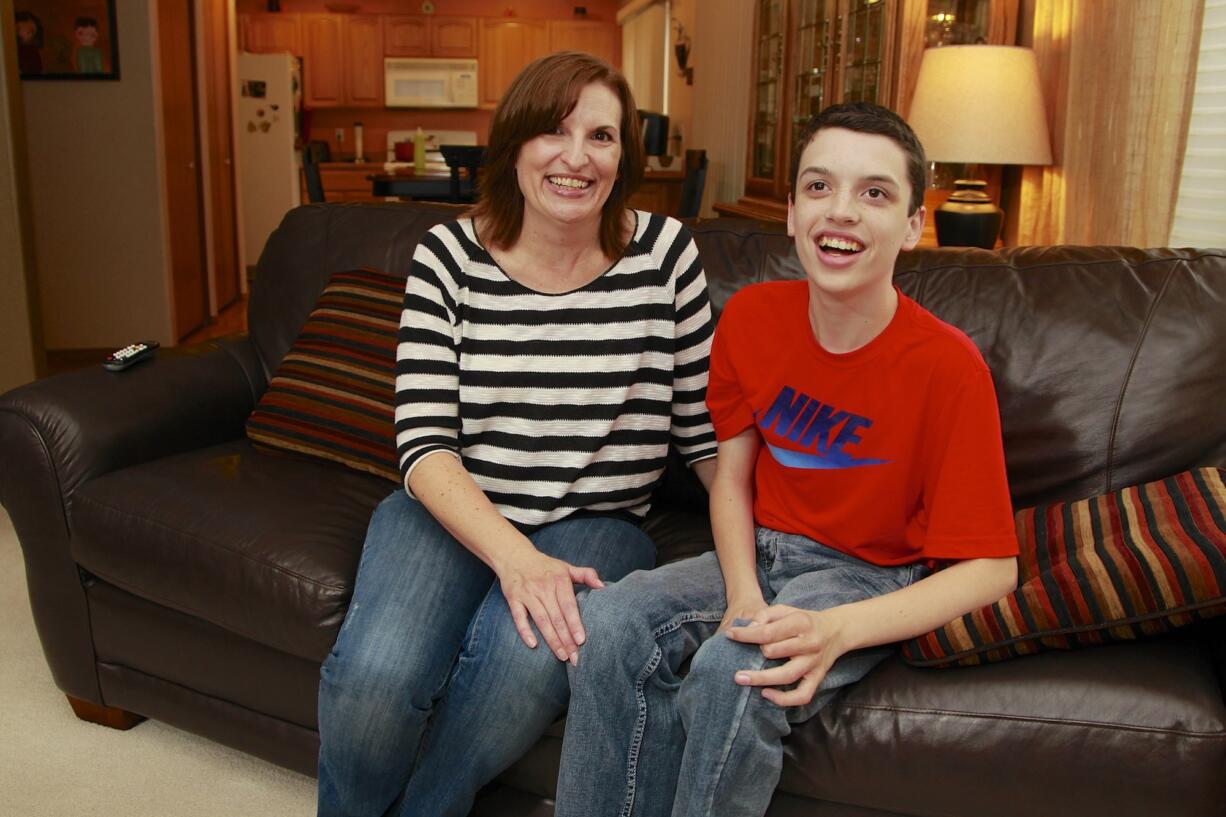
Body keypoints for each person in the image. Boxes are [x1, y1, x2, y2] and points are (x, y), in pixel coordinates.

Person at [554, 102, 1020, 817]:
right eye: (818, 187)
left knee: (732, 668)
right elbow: (731, 479)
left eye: (875, 193)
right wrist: (743, 592)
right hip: (761, 552)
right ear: (794, 215)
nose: (842, 212)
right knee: (612, 618)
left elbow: (993, 568)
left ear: (913, 225)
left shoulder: (949, 368)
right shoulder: (749, 317)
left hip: (866, 574)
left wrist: (837, 630)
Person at [316, 51, 718, 817]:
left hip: (598, 524)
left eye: (601, 136)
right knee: (374, 679)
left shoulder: (667, 257)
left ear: (625, 156)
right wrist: (517, 559)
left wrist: (781, 543)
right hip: (453, 506)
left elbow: (706, 433)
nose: (576, 157)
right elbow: (424, 444)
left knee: (513, 673)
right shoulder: (448, 257)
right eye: (554, 132)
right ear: (515, 146)